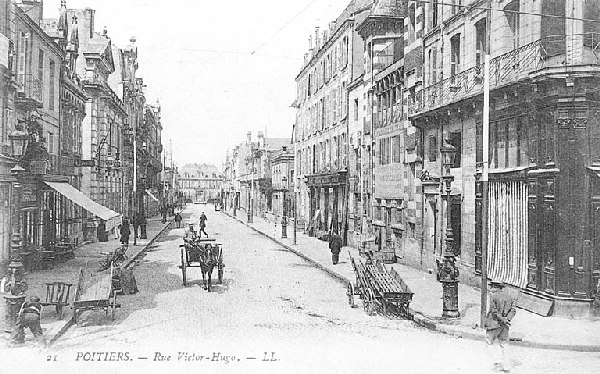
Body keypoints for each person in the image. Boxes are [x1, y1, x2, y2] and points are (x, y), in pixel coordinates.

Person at [484, 280, 517, 372]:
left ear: (496, 287)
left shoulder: (493, 296)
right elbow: (513, 310)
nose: (490, 288)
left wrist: (502, 319)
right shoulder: (510, 296)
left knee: (488, 342)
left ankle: (495, 361)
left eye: (492, 286)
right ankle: (506, 366)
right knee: (504, 344)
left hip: (494, 323)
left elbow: (494, 311)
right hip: (505, 325)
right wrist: (507, 319)